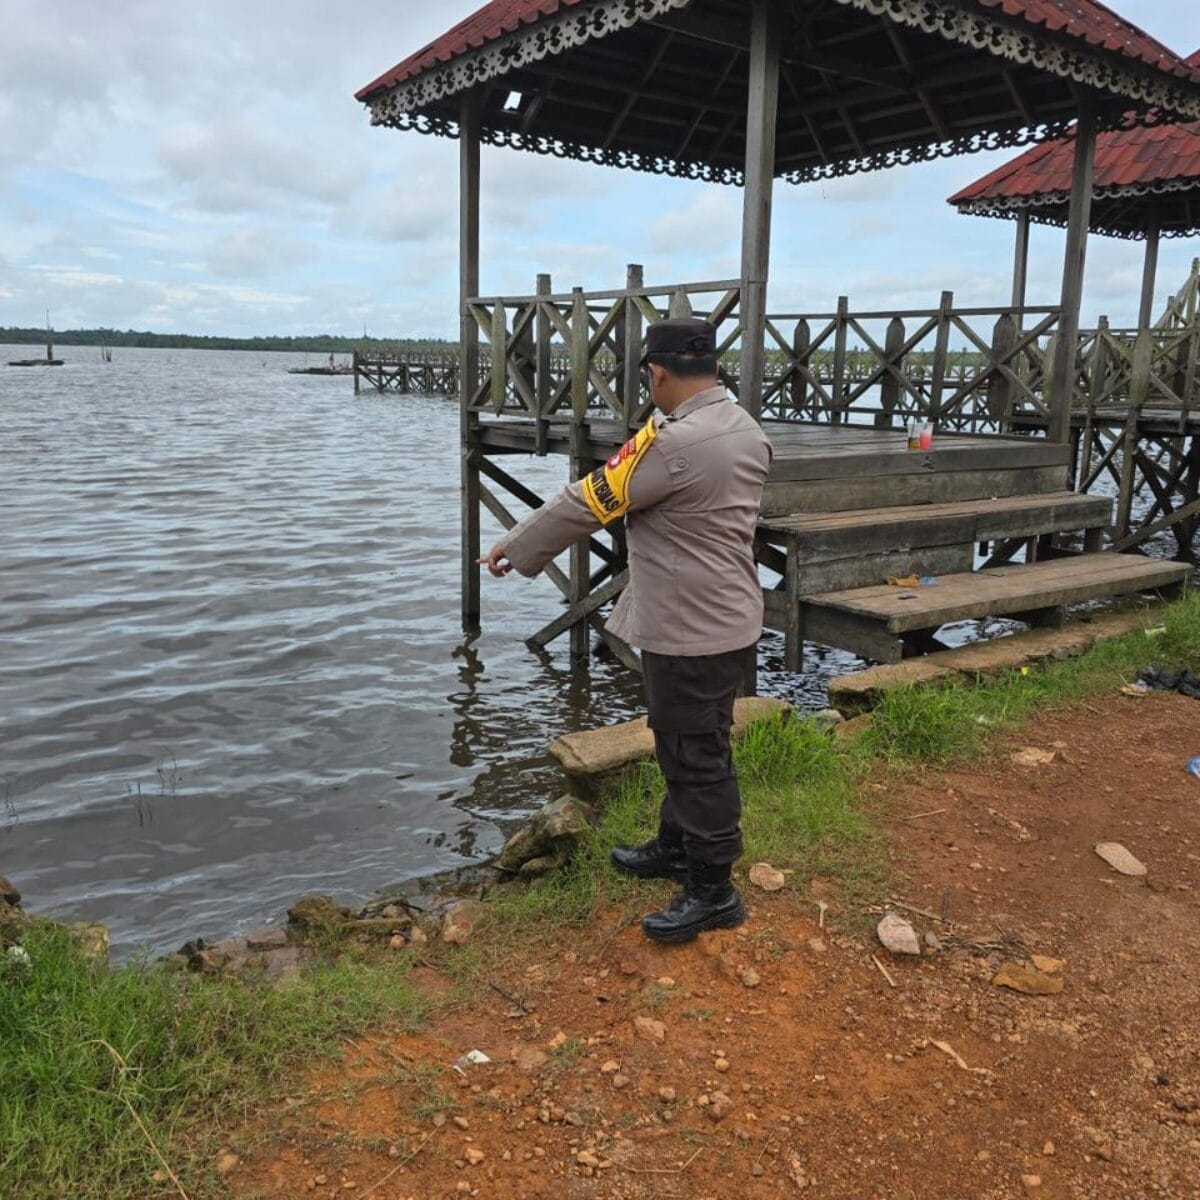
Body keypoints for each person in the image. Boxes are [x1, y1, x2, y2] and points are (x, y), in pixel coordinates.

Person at [479, 317, 773, 943]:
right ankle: (675, 844)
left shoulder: (673, 443)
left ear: (658, 372)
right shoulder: (742, 427)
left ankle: (713, 887)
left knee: (696, 755)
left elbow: (590, 500)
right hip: (728, 615)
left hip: (689, 626)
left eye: (649, 377)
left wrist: (516, 545)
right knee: (687, 738)